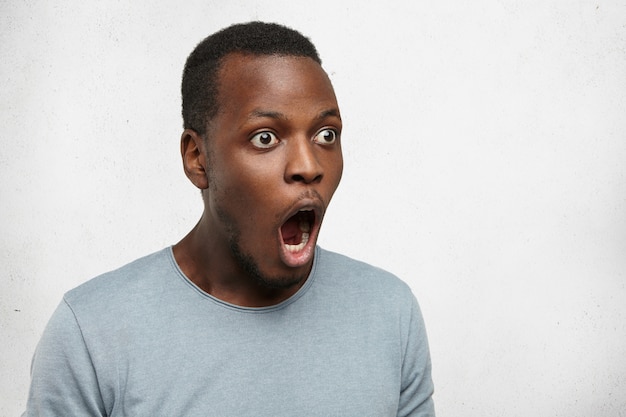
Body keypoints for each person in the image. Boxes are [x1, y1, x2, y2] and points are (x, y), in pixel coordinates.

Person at [23, 22, 435, 416]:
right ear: (197, 158)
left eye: (326, 134)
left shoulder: (390, 313)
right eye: (265, 138)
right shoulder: (92, 333)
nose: (309, 166)